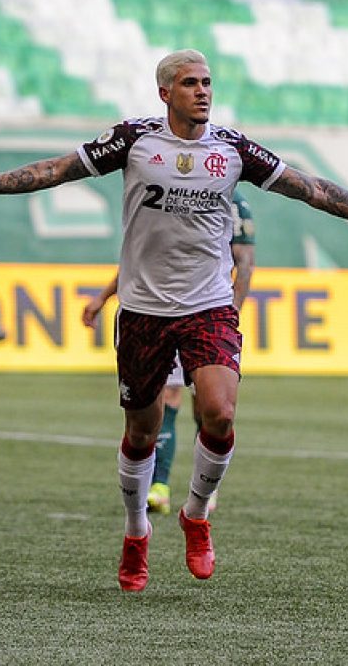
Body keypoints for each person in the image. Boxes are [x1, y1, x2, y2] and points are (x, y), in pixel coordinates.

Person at [0, 48, 348, 591]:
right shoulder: (134, 139)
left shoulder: (232, 148)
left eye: (208, 83)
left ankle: (196, 515)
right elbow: (55, 170)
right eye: (191, 83)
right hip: (144, 310)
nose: (203, 91)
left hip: (209, 306)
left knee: (218, 413)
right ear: (165, 92)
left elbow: (311, 189)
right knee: (141, 435)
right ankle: (135, 532)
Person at [82, 187, 256, 515]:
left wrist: (228, 315)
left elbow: (244, 264)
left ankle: (201, 491)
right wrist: (103, 297)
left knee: (208, 407)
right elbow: (143, 263)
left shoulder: (232, 201)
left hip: (208, 314)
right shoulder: (169, 193)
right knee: (170, 396)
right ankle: (160, 485)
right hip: (164, 313)